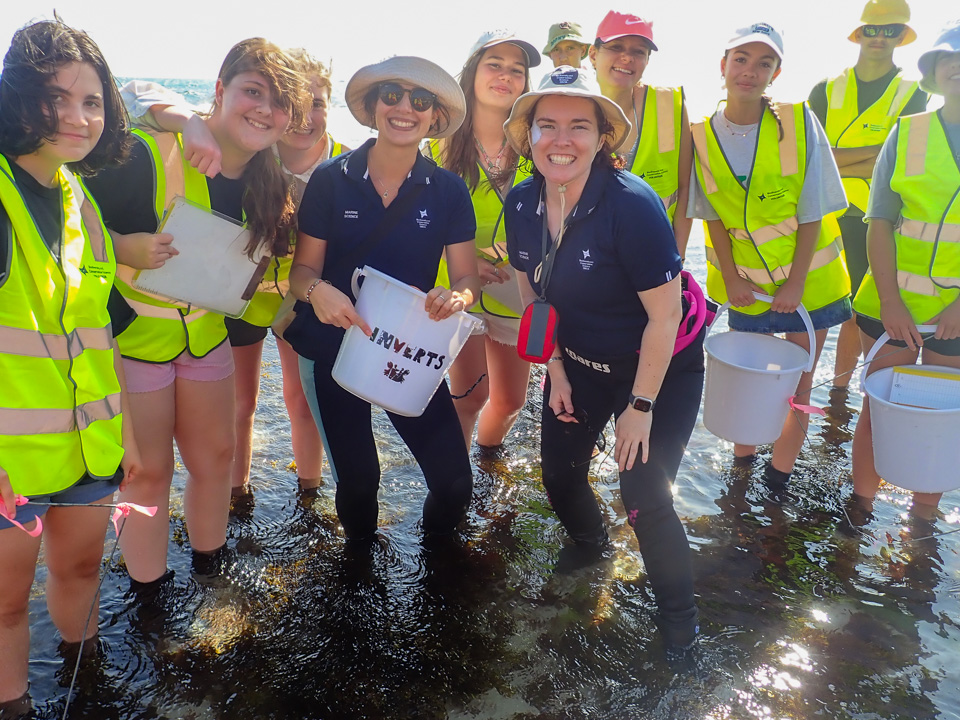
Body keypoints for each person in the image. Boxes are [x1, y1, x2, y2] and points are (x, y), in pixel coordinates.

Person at [85, 39, 308, 588]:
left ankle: (211, 572)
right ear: (219, 92)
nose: (264, 109)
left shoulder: (271, 181)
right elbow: (69, 225)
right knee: (148, 473)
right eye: (252, 91)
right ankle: (149, 595)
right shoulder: (145, 152)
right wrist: (121, 247)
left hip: (206, 339)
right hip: (133, 342)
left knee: (217, 456)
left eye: (279, 102)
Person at [503, 66, 706, 653]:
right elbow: (532, 294)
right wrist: (556, 372)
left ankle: (679, 626)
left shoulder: (632, 206)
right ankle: (593, 551)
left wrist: (639, 407)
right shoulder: (521, 203)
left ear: (601, 138)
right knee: (559, 478)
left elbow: (665, 318)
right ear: (528, 136)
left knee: (644, 496)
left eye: (578, 126)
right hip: (579, 364)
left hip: (658, 370)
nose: (561, 140)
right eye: (547, 125)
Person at [122, 50, 351, 498]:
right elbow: (136, 92)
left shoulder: (346, 164)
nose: (305, 118)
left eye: (317, 105)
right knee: (240, 403)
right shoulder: (253, 147)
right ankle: (237, 495)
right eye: (296, 106)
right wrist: (188, 121)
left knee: (302, 399)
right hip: (238, 296)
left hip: (304, 298)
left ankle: (310, 491)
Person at [0, 19, 141, 709]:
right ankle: (14, 702)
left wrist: (132, 441)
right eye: (56, 98)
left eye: (92, 101)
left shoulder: (80, 200)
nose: (78, 117)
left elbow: (99, 335)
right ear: (18, 98)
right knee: (2, 605)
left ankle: (87, 680)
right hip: (10, 463)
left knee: (83, 567)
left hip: (91, 448)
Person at [287, 56, 480, 539]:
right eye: (391, 95)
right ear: (372, 106)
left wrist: (455, 299)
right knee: (359, 482)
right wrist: (318, 291)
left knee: (455, 483)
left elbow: (466, 282)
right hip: (337, 345)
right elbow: (300, 272)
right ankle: (358, 579)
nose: (404, 108)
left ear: (435, 117)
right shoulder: (330, 180)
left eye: (420, 101)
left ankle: (437, 569)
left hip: (409, 348)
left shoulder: (450, 191)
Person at [688, 23, 852, 486]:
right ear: (723, 66)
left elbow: (813, 210)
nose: (750, 71)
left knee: (797, 389)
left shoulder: (800, 122)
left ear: (776, 72)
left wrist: (796, 283)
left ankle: (778, 480)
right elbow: (711, 216)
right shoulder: (699, 133)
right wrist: (735, 282)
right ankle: (743, 470)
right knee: (750, 385)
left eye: (764, 62)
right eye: (741, 59)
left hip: (809, 288)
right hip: (747, 289)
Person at [851, 21, 960, 518]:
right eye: (949, 63)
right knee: (876, 413)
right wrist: (892, 301)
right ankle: (861, 511)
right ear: (936, 73)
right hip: (889, 308)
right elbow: (879, 224)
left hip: (953, 317)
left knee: (939, 420)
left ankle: (921, 523)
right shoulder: (908, 131)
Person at [428, 30, 539, 452]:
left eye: (517, 70)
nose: (505, 76)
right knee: (470, 397)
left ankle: (489, 460)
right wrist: (463, 259)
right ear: (472, 72)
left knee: (511, 400)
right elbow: (415, 220)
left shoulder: (538, 141)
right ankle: (456, 487)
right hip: (457, 288)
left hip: (517, 289)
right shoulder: (435, 141)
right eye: (495, 64)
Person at [809, 0, 927, 389]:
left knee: (858, 312)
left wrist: (833, 158)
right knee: (817, 309)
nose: (880, 37)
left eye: (891, 30)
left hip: (872, 218)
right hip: (821, 215)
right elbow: (808, 157)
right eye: (873, 29)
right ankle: (801, 390)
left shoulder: (913, 94)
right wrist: (875, 154)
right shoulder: (824, 90)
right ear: (859, 34)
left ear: (902, 36)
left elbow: (899, 161)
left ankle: (840, 392)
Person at [589, 10, 694, 257]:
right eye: (616, 47)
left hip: (657, 257)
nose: (627, 58)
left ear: (647, 60)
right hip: (593, 262)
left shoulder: (671, 105)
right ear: (593, 54)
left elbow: (686, 187)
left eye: (638, 51)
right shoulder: (573, 108)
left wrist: (676, 257)